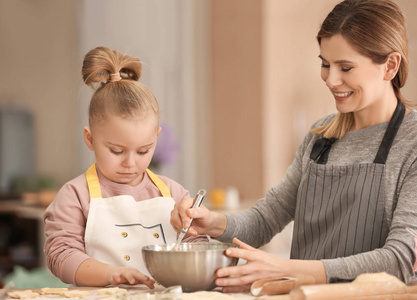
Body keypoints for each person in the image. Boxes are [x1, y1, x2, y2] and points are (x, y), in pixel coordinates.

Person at [171, 0, 417, 292]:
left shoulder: (411, 142)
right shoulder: (321, 136)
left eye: (346, 67)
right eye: (325, 64)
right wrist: (210, 222)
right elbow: (267, 218)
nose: (331, 79)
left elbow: (399, 260)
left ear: (390, 65)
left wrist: (286, 270)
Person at [44, 46, 207, 287]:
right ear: (90, 139)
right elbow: (61, 255)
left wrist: (196, 234)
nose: (130, 163)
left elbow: (199, 246)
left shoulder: (172, 193)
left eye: (143, 151)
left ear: (156, 137)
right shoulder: (75, 195)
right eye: (116, 151)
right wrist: (111, 275)